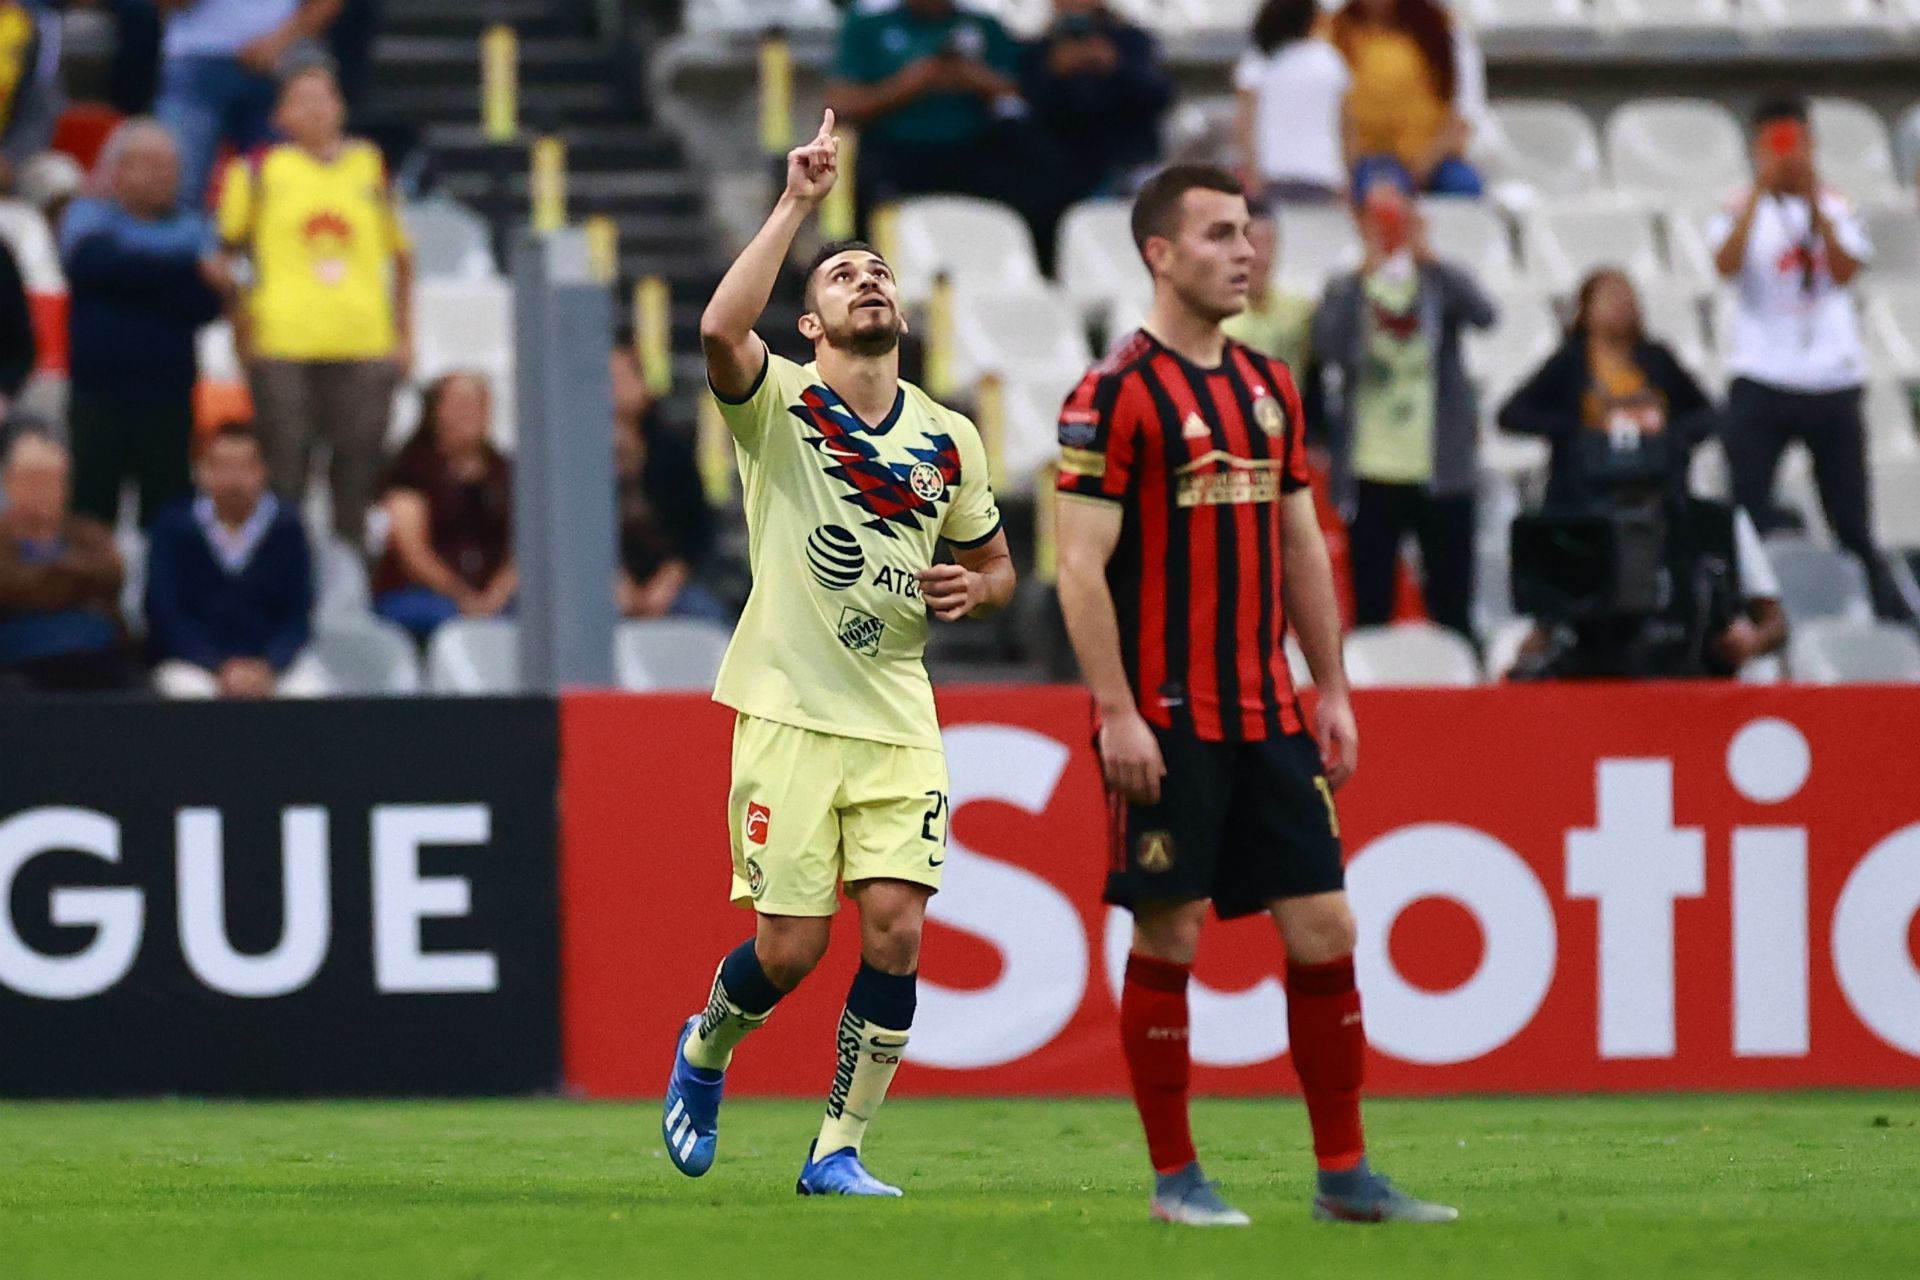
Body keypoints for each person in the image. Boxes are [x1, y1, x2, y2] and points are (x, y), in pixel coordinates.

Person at [1053, 164, 1454, 1227]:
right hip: (1168, 720)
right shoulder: (1113, 394)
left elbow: (1299, 545)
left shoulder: (1268, 386)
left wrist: (1333, 684)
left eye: (1251, 234)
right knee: (1170, 935)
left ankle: (1344, 1173)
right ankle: (1176, 1177)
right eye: (1222, 233)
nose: (1248, 251)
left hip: (1268, 713)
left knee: (1326, 926)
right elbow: (1079, 566)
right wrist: (1116, 709)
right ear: (1160, 253)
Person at [661, 111, 1014, 1196]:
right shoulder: (780, 405)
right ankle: (707, 1047)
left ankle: (838, 1148)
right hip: (790, 707)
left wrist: (980, 586)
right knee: (789, 950)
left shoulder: (949, 437)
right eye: (843, 278)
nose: (869, 284)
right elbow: (721, 331)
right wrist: (797, 206)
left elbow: (999, 567)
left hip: (898, 715)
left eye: (880, 274)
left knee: (898, 929)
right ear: (809, 324)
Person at [1498, 269, 1787, 679]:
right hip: (1580, 505)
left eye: (1626, 295)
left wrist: (1669, 437)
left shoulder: (1709, 526)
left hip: (1684, 667)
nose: (1620, 306)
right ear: (1585, 309)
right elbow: (1511, 414)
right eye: (1608, 297)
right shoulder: (1570, 363)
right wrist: (1581, 432)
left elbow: (1706, 414)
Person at [1710, 95, 1911, 621]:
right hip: (1762, 376)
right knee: (1744, 509)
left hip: (1831, 381)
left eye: (1794, 144)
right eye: (1776, 145)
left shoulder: (1839, 206)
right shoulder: (1737, 207)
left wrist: (1814, 202)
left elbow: (1845, 270)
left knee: (1851, 519)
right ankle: (1733, 612)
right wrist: (1761, 190)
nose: (1787, 155)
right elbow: (1726, 265)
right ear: (1756, 148)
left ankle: (1888, 614)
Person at [214, 59, 412, 549]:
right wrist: (242, 331)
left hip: (364, 342)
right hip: (282, 343)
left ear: (341, 107)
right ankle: (284, 575)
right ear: (281, 114)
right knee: (285, 473)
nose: (316, 110)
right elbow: (228, 259)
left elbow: (402, 257)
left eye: (324, 98)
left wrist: (405, 335)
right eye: (301, 99)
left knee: (358, 472)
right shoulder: (257, 170)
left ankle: (350, 582)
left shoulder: (370, 165)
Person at [1313, 178, 1495, 639]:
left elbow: (1485, 315)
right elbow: (1328, 347)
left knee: (1452, 605)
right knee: (1372, 606)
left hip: (1441, 465)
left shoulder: (1437, 281)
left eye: (1397, 217)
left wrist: (1430, 257)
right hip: (1372, 467)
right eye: (1379, 220)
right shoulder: (1345, 285)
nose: (1390, 229)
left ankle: (1462, 694)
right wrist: (1361, 278)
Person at [826, 0, 1075, 272]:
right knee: (867, 198)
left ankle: (1036, 274)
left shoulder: (984, 25)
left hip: (972, 151)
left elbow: (1024, 93)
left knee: (1041, 184)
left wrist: (971, 77)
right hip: (894, 153)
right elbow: (840, 104)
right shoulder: (868, 24)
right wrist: (909, 85)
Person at [62, 119, 225, 530]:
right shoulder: (87, 215)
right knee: (90, 513)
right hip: (99, 396)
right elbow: (93, 266)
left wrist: (136, 273)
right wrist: (184, 267)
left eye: (169, 166)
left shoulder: (191, 224)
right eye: (149, 164)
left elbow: (205, 302)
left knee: (169, 516)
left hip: (168, 397)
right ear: (117, 169)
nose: (162, 175)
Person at [145, 422, 321, 698]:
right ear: (202, 471)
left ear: (262, 471)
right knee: (185, 692)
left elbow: (299, 615)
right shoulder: (174, 528)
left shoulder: (288, 529)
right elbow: (166, 614)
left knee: (310, 692)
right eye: (223, 466)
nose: (234, 479)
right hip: (197, 665)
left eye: (244, 467)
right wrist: (218, 665)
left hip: (272, 665)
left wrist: (269, 665)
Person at [153, 0, 344, 205]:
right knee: (177, 185)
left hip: (281, 59)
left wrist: (281, 41)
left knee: (293, 188)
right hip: (196, 56)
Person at [370, 371, 513, 643]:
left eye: (478, 404)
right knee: (441, 617)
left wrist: (494, 598)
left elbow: (524, 549)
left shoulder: (507, 473)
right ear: (436, 410)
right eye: (459, 403)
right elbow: (414, 555)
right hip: (421, 593)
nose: (469, 413)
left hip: (495, 595)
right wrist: (463, 597)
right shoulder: (411, 472)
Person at [0, 430, 138, 693]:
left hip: (92, 656)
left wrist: (39, 583)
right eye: (33, 480)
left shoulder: (89, 534)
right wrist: (68, 580)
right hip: (17, 661)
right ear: (9, 484)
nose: (42, 491)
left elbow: (111, 576)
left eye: (52, 481)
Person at [610, 341, 725, 623]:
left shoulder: (672, 450)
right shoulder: (579, 455)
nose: (611, 388)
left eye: (621, 378)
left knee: (709, 618)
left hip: (669, 581)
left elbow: (697, 527)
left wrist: (669, 580)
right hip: (605, 581)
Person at [1328, 0, 1485, 199]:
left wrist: (1424, 164)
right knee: (1382, 191)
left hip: (1433, 155)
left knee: (1464, 186)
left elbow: (1464, 113)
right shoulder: (1337, 31)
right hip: (1369, 156)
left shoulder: (1443, 32)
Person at [1020, 0, 1171, 200]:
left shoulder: (1131, 41)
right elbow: (1030, 105)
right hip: (1061, 169)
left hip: (1128, 160)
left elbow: (1158, 96)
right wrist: (1054, 70)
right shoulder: (1040, 51)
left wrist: (1115, 64)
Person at [1236, 0, 1351, 205]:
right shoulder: (1329, 60)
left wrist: (1251, 172)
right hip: (1323, 173)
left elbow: (1245, 125)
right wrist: (1348, 174)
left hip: (1272, 173)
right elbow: (1346, 126)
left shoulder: (1259, 60)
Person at [1221, 200, 1315, 374]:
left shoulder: (1300, 311)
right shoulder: (1212, 318)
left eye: (1269, 243)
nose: (1261, 257)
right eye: (1254, 244)